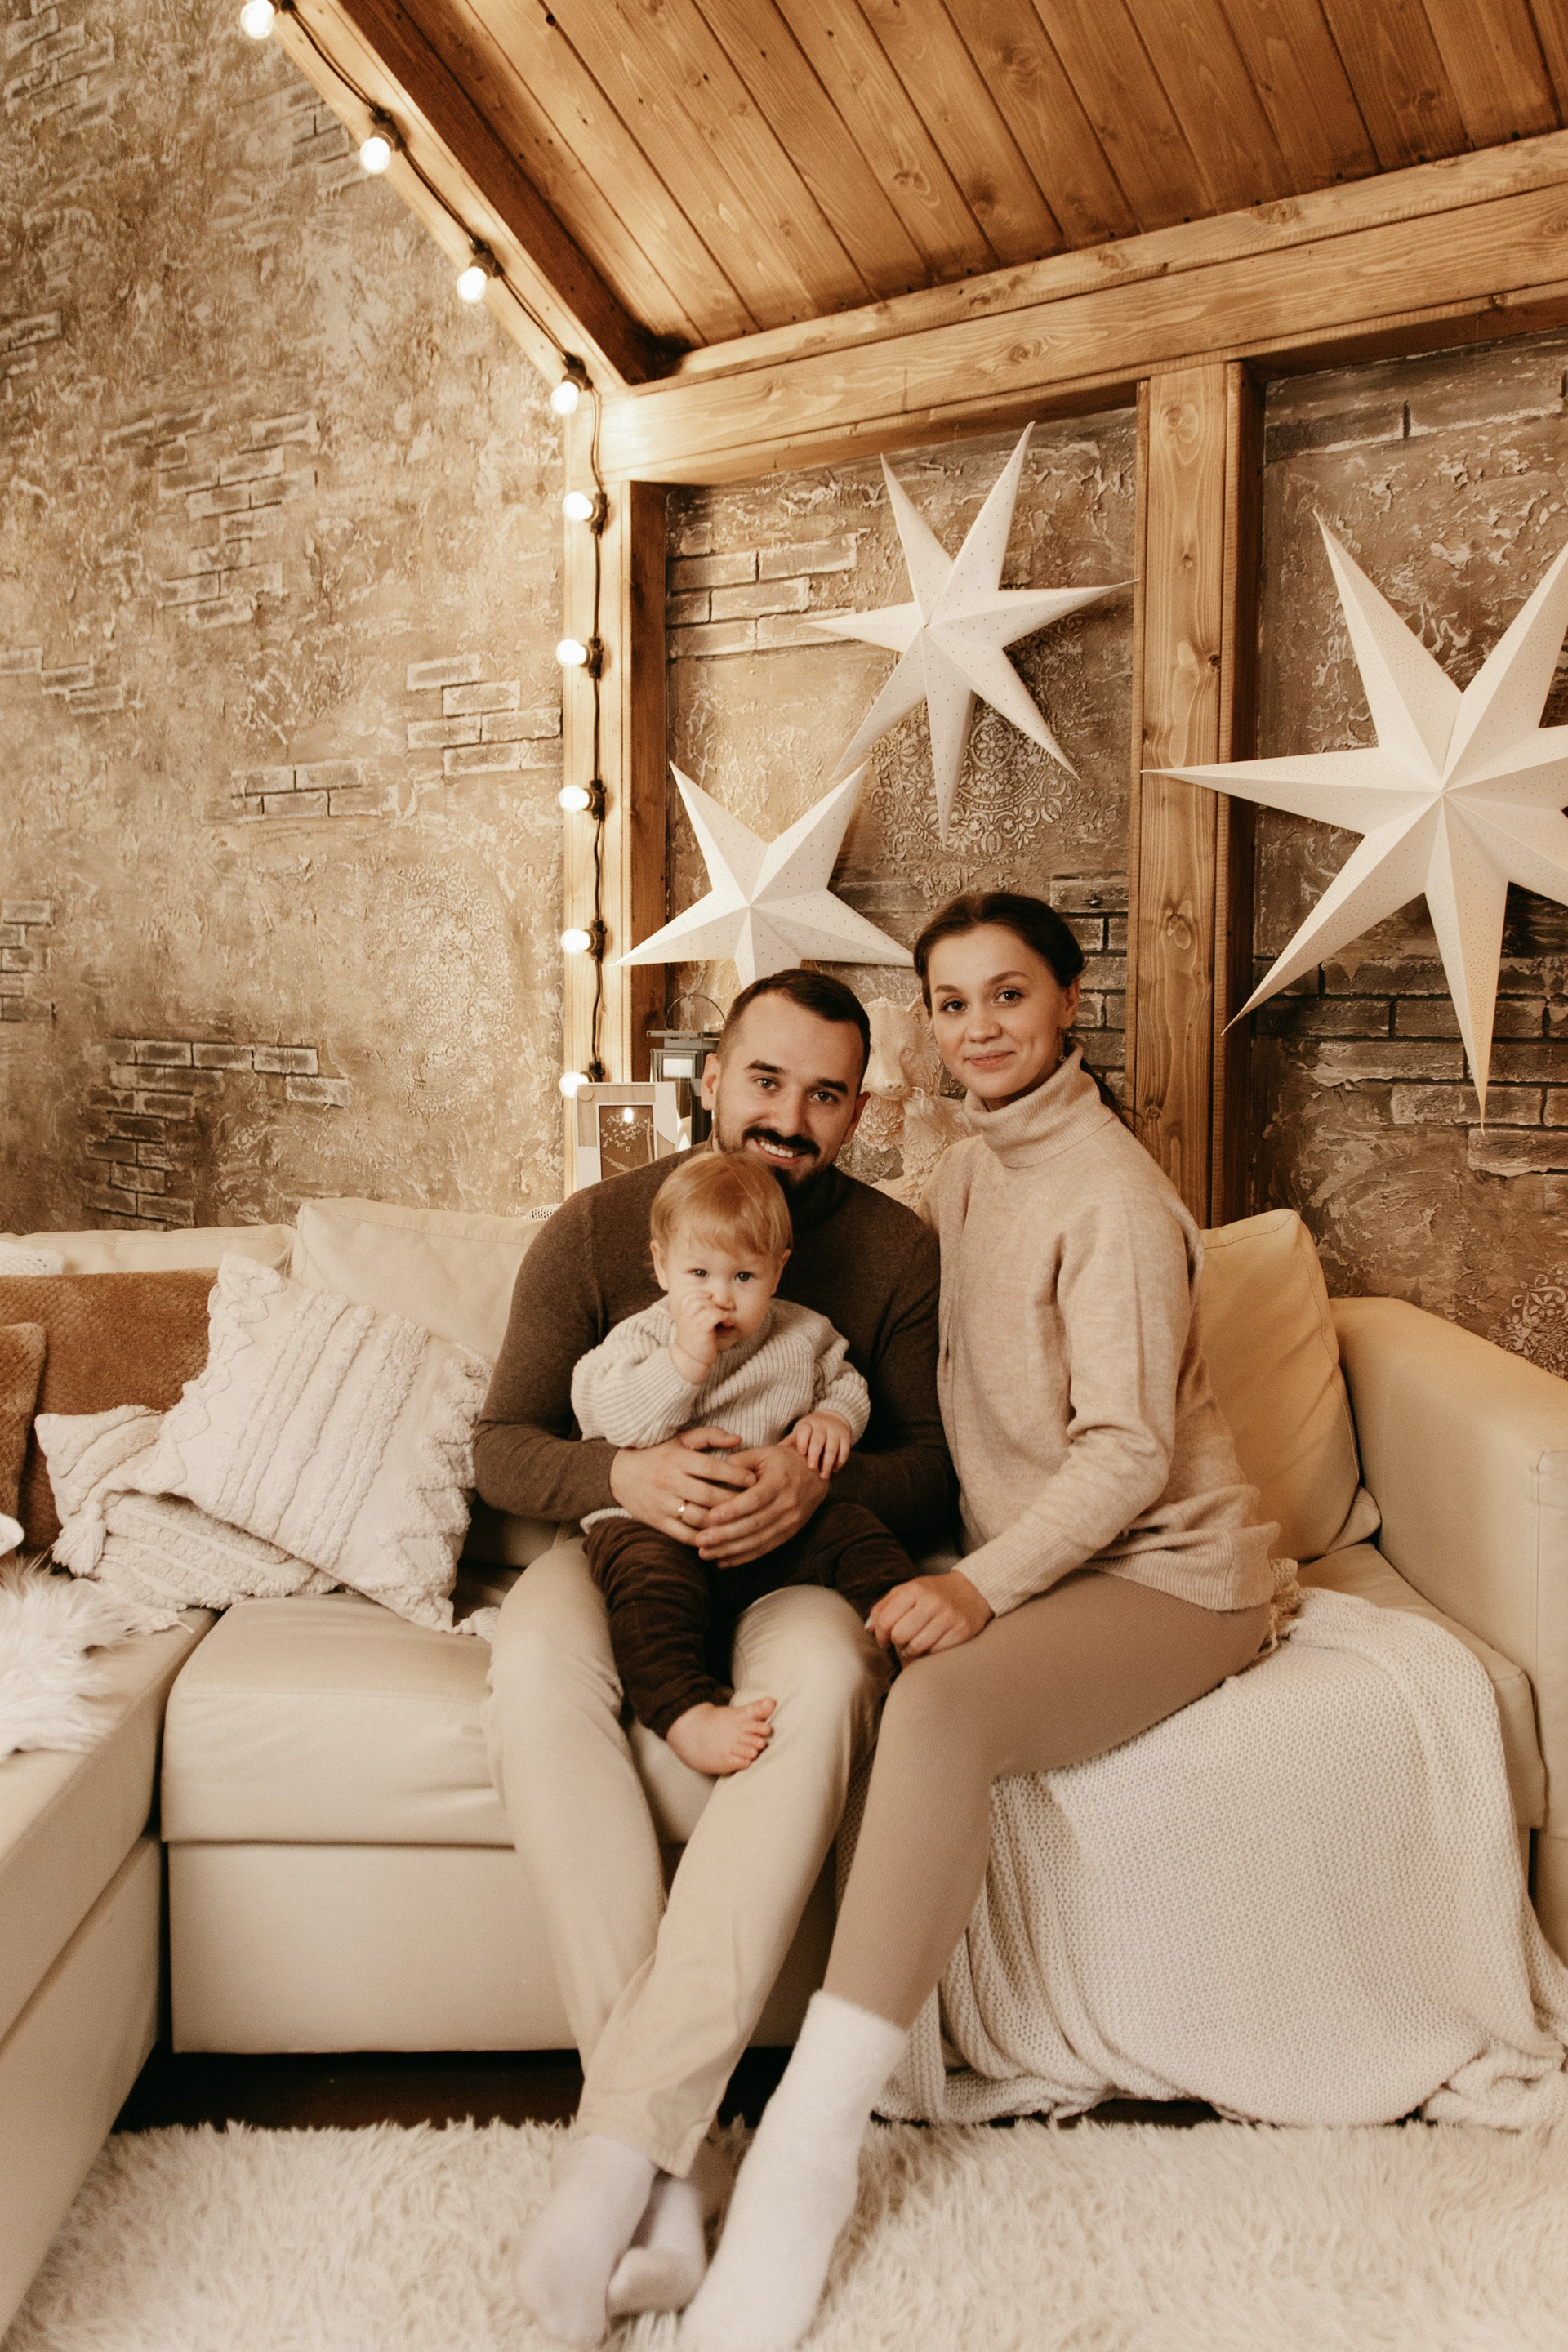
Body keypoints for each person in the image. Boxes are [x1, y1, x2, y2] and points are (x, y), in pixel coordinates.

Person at [684, 892, 1283, 2352]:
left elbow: (1130, 1456)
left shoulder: (1113, 1198)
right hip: (1044, 1556)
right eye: (949, 1004)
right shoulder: (963, 1167)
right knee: (867, 1668)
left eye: (1008, 995)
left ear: (1071, 1002)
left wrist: (975, 1586)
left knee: (942, 1704)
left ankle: (809, 2154)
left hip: (1171, 1573)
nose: (978, 1029)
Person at [473, 967, 954, 2345]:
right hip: (629, 1547)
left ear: (858, 1111)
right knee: (535, 1669)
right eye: (766, 1080)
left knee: (829, 1683)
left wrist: (815, 1484)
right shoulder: (598, 1232)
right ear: (712, 1077)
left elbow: (936, 1466)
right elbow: (503, 1445)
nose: (790, 1117)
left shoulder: (893, 1254)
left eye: (825, 1094)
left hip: (797, 1566)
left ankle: (614, 2167)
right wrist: (623, 1470)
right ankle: (666, 2171)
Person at [573, 1149, 917, 1777]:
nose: (720, 1299)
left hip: (773, 1533)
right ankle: (684, 1713)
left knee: (856, 1534)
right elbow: (612, 1418)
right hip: (662, 1530)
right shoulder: (644, 1338)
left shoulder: (802, 1334)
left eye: (743, 1277)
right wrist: (684, 1361)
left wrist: (833, 1420)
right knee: (646, 1587)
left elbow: (847, 1384)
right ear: (661, 1266)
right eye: (698, 1273)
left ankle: (915, 1646)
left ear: (777, 1271)